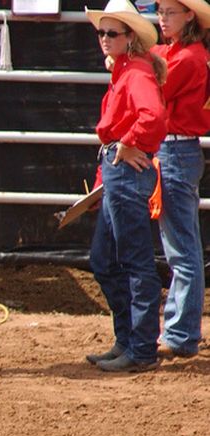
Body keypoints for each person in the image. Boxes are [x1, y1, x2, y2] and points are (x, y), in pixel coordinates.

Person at [85, 0, 167, 372]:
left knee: (129, 262)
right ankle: (131, 340)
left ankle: (140, 348)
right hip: (119, 171)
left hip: (126, 172)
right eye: (101, 32)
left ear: (129, 37)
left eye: (111, 33)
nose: (104, 39)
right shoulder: (129, 70)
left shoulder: (134, 74)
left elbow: (153, 116)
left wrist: (131, 141)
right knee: (108, 259)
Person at [150, 0, 210, 359]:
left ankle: (182, 332)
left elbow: (155, 88)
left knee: (181, 248)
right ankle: (181, 329)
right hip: (174, 150)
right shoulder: (179, 52)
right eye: (160, 11)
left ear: (189, 15)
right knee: (180, 244)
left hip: (175, 149)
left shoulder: (186, 58)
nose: (162, 18)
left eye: (169, 12)